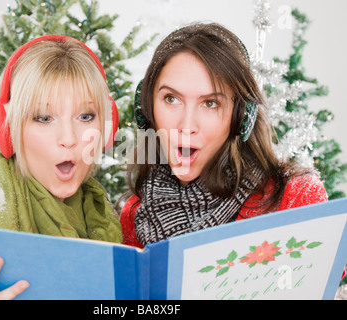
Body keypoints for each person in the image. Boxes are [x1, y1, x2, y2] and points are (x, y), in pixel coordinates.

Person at [0, 35, 123, 299]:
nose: (69, 139)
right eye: (43, 118)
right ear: (9, 130)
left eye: (85, 116)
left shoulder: (101, 212)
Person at [120, 23, 328, 249]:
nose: (187, 125)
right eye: (171, 99)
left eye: (210, 103)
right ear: (146, 107)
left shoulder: (296, 199)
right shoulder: (134, 214)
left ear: (240, 116)